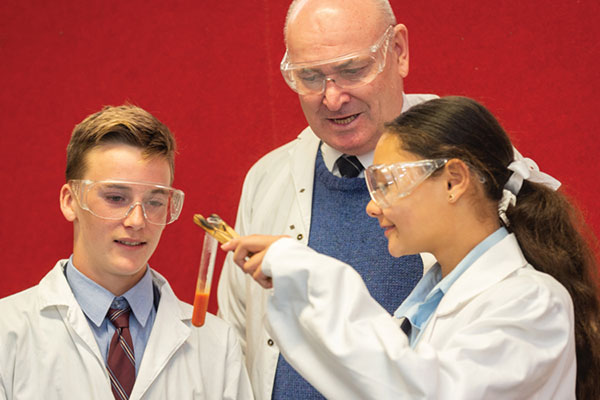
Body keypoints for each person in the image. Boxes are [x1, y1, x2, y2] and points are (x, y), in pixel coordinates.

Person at [223, 97, 600, 399]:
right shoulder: (426, 306)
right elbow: (373, 378)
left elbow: (427, 391)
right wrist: (294, 289)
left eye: (387, 183)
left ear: (453, 181)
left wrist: (313, 277)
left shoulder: (532, 302)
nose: (372, 205)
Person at [217, 0, 436, 397]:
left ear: (399, 51)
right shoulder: (267, 179)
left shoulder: (469, 163)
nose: (332, 99)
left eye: (352, 70)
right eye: (310, 77)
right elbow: (234, 337)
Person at [0, 105, 253, 399]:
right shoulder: (8, 332)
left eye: (155, 202)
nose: (137, 221)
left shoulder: (216, 343)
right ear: (70, 201)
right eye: (116, 198)